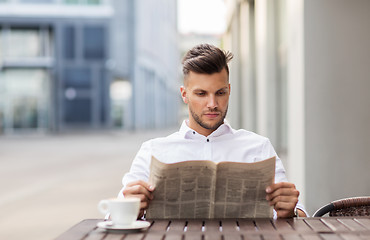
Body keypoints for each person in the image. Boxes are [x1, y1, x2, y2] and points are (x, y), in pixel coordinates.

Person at [119, 44, 307, 218]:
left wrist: (291, 211)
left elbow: (299, 216)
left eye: (220, 93)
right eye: (201, 94)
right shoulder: (153, 151)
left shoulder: (259, 147)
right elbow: (114, 217)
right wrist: (129, 207)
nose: (212, 104)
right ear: (184, 94)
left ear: (229, 90)